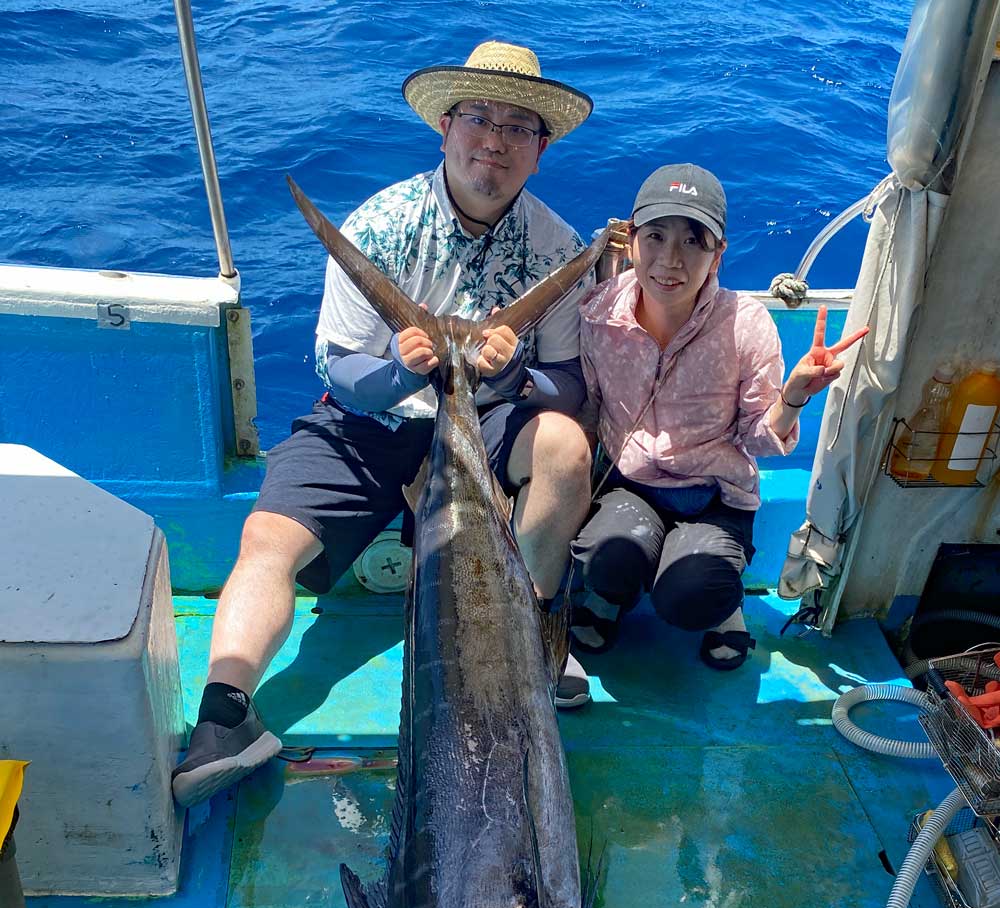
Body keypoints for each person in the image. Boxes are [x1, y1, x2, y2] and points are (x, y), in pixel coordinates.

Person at [172, 41, 598, 808]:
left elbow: (565, 385)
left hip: (486, 421)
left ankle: (525, 647)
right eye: (478, 117)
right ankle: (224, 713)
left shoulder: (558, 247)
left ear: (541, 149)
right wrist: (405, 369)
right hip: (371, 422)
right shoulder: (383, 224)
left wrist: (509, 374)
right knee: (268, 539)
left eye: (518, 127)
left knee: (565, 447)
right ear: (444, 127)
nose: (494, 140)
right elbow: (341, 372)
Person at [569, 163, 868, 667]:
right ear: (632, 241)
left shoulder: (745, 325)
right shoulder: (598, 312)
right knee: (605, 559)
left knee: (690, 595)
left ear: (717, 255)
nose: (670, 260)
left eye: (694, 241)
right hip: (630, 486)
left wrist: (793, 396)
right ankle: (609, 594)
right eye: (656, 237)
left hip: (714, 495)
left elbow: (759, 438)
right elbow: (590, 412)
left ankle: (725, 609)